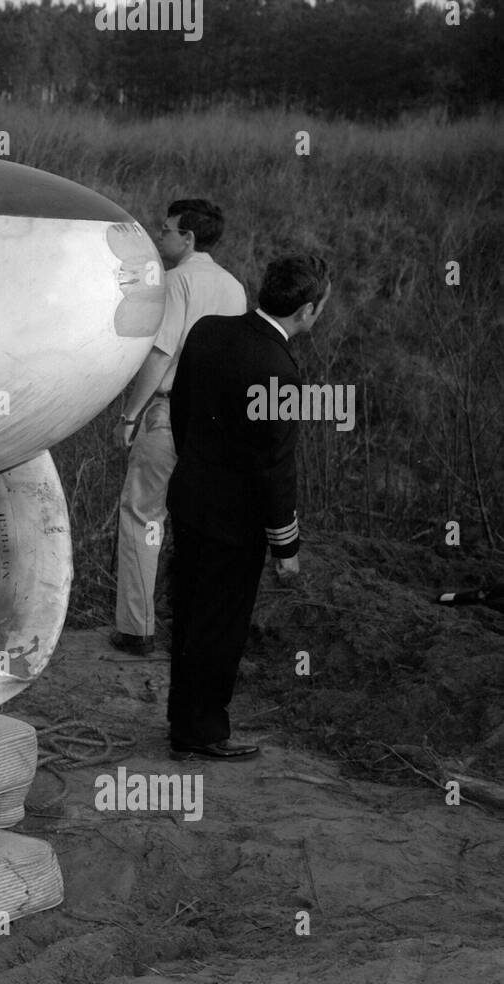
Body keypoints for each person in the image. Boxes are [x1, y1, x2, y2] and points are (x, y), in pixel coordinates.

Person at [166, 253, 331, 761]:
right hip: (233, 523)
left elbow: (181, 411)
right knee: (220, 625)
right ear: (306, 311)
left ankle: (184, 722)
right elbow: (276, 468)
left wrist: (196, 467)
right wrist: (287, 544)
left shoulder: (208, 330)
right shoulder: (280, 370)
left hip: (189, 498)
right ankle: (202, 732)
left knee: (189, 615)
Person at [112, 199, 246, 657]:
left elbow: (161, 354)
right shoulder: (235, 289)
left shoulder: (176, 281)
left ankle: (136, 629)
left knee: (142, 516)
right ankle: (200, 628)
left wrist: (130, 415)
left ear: (188, 238)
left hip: (168, 415)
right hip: (217, 424)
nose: (159, 234)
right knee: (199, 526)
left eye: (166, 229)